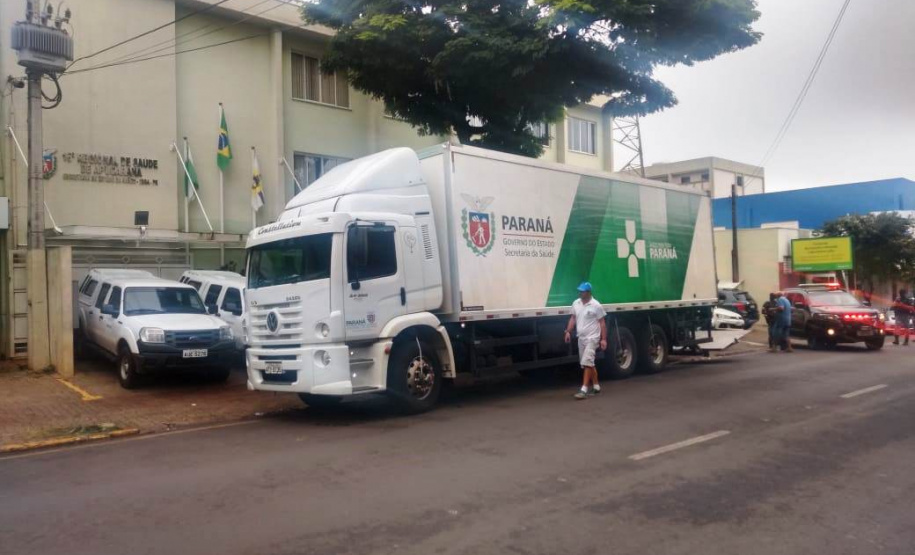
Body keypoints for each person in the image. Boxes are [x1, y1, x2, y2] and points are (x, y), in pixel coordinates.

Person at [564, 282, 608, 400]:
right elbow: (573, 318)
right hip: (581, 338)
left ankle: (584, 389)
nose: (580, 293)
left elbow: (602, 323)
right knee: (587, 363)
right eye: (579, 291)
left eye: (582, 291)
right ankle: (596, 386)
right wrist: (568, 331)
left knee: (587, 361)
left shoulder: (596, 305)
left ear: (588, 292)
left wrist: (603, 339)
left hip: (592, 338)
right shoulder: (576, 303)